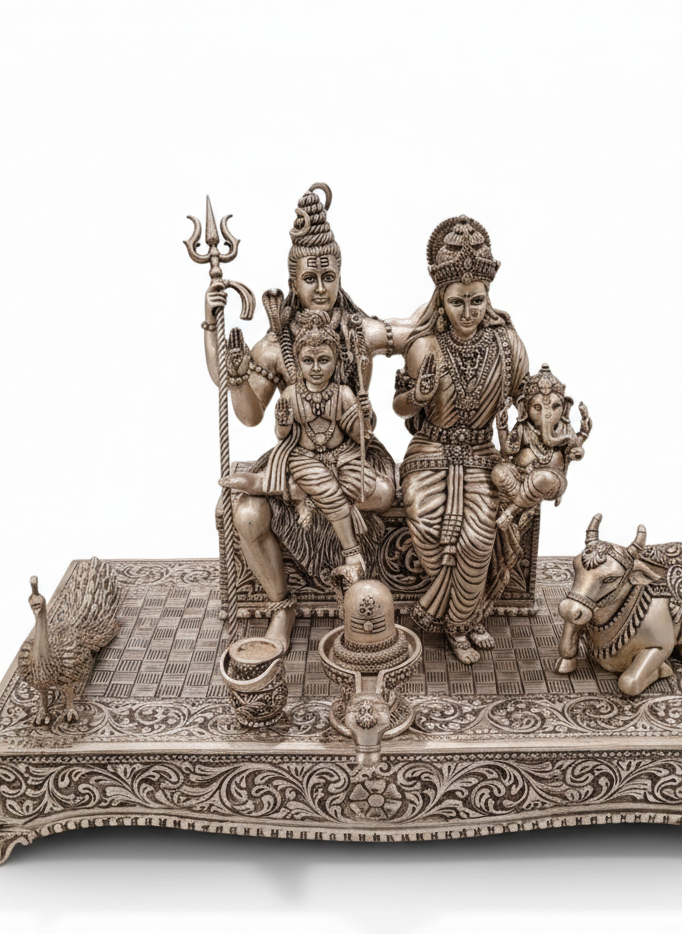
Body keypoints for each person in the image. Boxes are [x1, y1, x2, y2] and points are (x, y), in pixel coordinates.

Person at [204, 183, 419, 653]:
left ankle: (343, 547)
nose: (320, 288)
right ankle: (281, 606)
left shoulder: (360, 331)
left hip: (351, 451)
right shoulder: (274, 346)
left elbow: (414, 331)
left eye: (328, 277)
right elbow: (248, 415)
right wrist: (220, 346)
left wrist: (453, 309)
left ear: (340, 275)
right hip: (296, 453)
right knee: (247, 513)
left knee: (381, 493)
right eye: (309, 278)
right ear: (294, 281)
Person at [394, 217, 530, 664]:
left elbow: (527, 400)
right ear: (441, 299)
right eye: (457, 302)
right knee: (427, 521)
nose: (468, 312)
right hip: (428, 451)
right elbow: (400, 407)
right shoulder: (424, 345)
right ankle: (463, 619)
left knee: (478, 534)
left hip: (481, 453)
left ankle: (461, 621)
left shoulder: (507, 343)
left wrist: (542, 438)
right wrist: (418, 396)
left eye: (477, 301)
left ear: (488, 297)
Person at [227, 310, 374, 579]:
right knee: (324, 483)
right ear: (298, 361)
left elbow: (360, 437)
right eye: (308, 360)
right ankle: (352, 552)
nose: (316, 368)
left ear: (336, 361)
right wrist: (283, 424)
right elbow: (283, 436)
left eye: (323, 360)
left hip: (342, 457)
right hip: (304, 458)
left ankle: (294, 491)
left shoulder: (343, 393)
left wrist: (362, 416)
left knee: (374, 489)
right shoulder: (291, 394)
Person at [491, 364, 586, 528]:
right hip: (520, 478)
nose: (547, 414)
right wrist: (502, 426)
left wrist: (579, 447)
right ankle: (527, 505)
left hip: (551, 481)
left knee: (541, 478)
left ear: (565, 407)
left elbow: (574, 449)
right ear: (524, 408)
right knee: (498, 472)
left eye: (555, 407)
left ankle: (512, 511)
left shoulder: (563, 428)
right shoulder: (523, 427)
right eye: (537, 408)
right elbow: (507, 451)